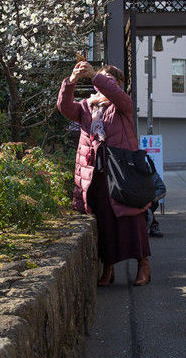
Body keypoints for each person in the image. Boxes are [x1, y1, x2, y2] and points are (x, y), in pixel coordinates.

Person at [57, 61, 151, 286]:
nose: (101, 83)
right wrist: (71, 80)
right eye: (101, 79)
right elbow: (64, 108)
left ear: (117, 84)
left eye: (109, 80)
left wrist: (97, 77)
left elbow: (117, 96)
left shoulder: (122, 105)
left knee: (131, 217)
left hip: (121, 172)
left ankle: (143, 265)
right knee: (104, 222)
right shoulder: (86, 106)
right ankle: (108, 269)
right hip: (95, 172)